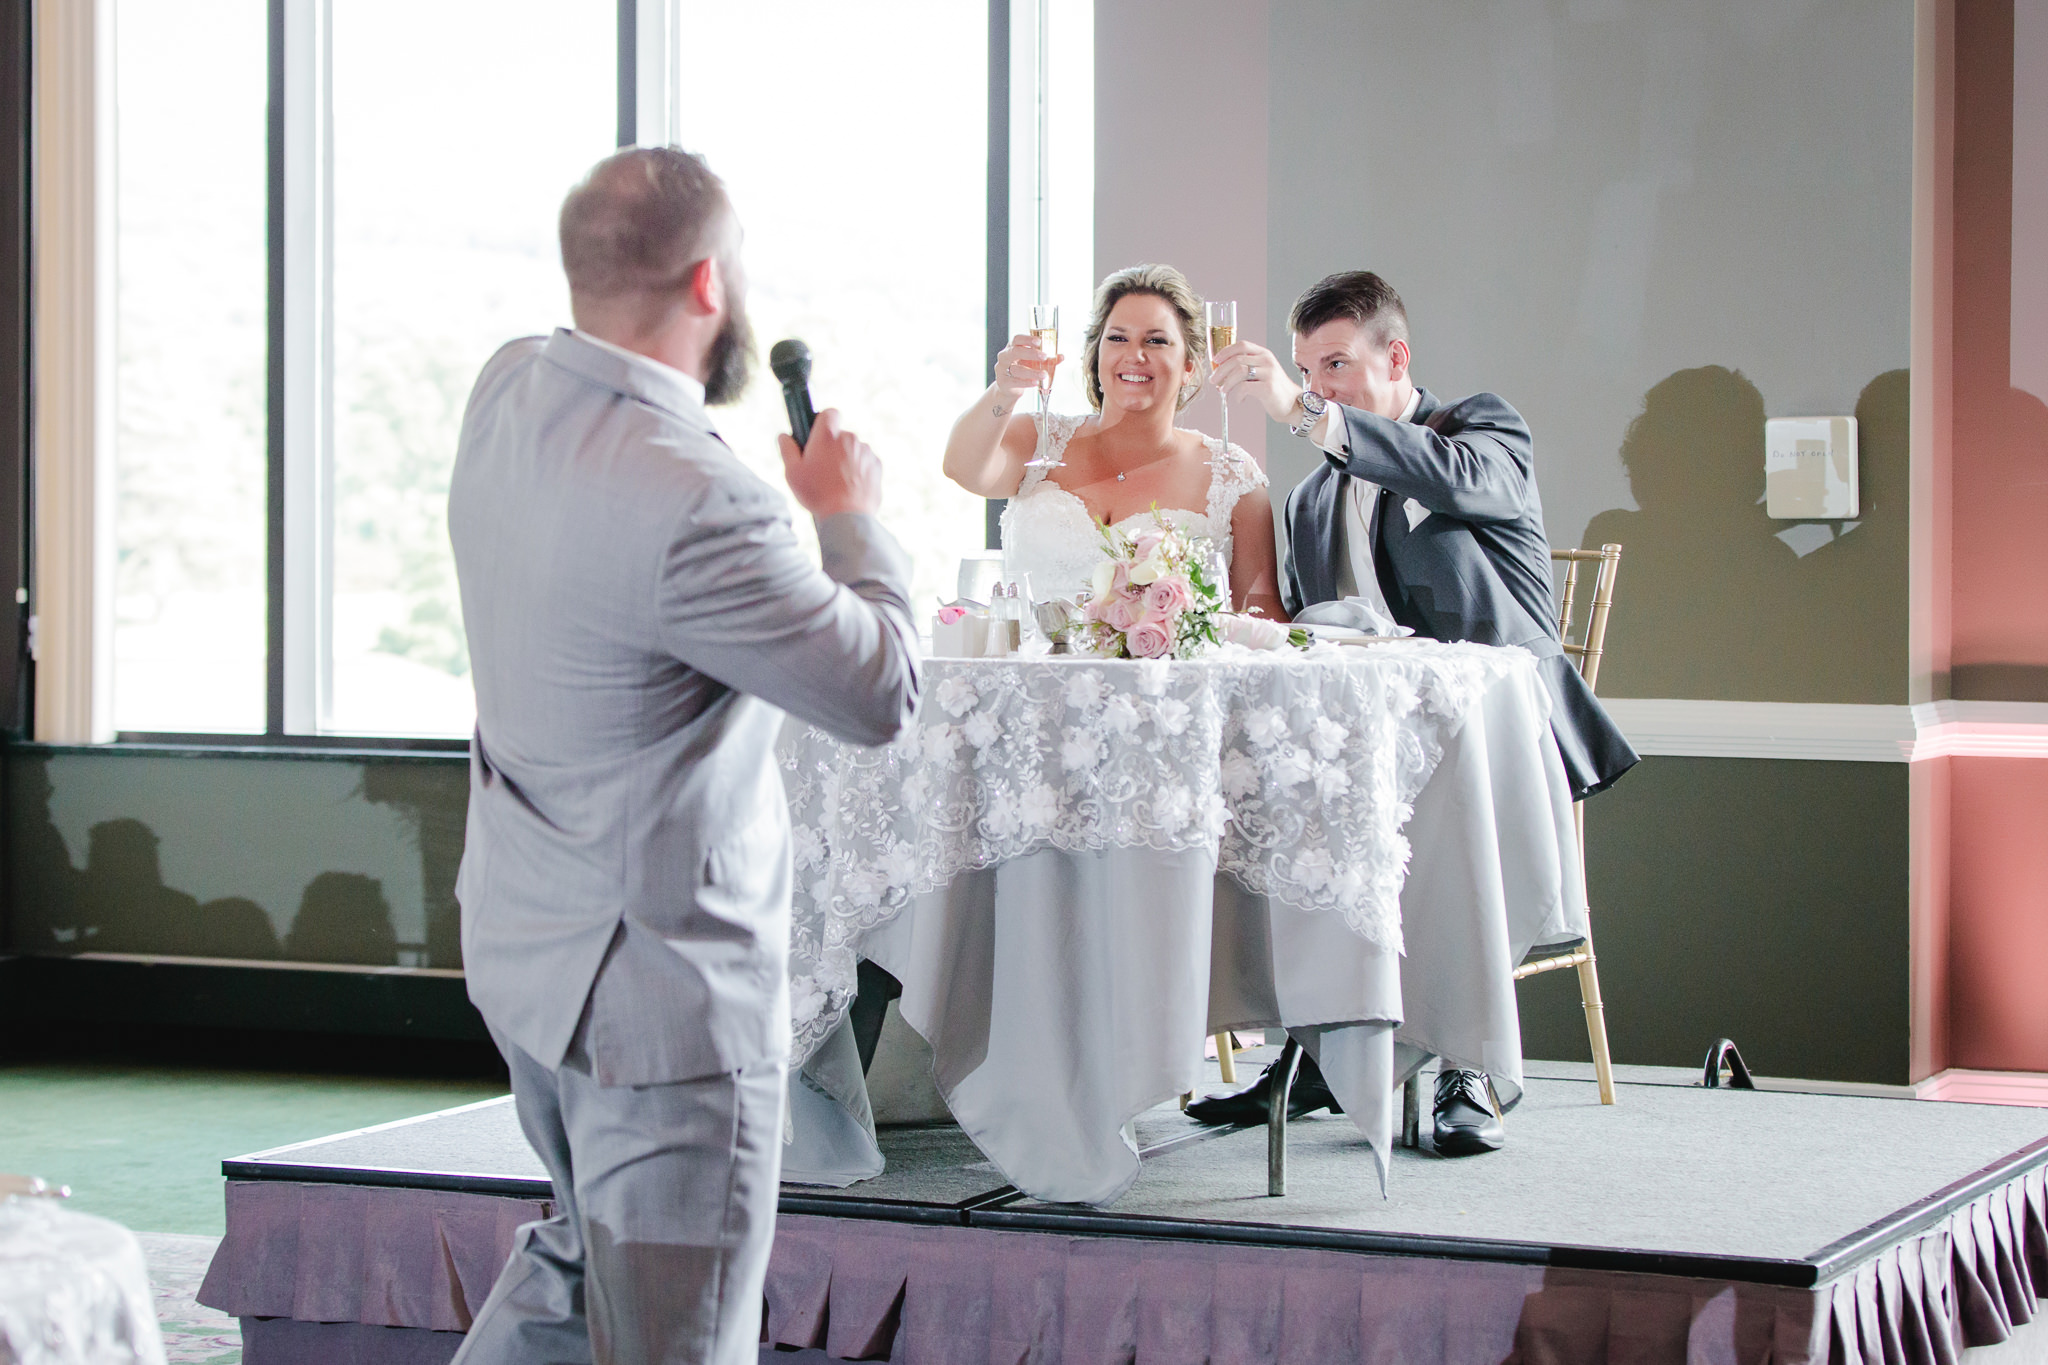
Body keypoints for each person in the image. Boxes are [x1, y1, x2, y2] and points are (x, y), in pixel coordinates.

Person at [446, 147, 921, 1364]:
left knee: (572, 1260)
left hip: (528, 951)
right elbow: (877, 692)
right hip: (658, 1003)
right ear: (709, 282)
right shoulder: (703, 500)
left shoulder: (504, 390)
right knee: (677, 1336)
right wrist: (847, 519)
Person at [1190, 270, 1638, 1154]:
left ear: (1396, 357)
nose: (1316, 387)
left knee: (1432, 808)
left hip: (1497, 735)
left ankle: (1467, 1065)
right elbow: (1310, 635)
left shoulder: (1480, 431)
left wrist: (1302, 414)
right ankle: (1318, 1044)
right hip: (1370, 744)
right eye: (1305, 370)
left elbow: (1463, 483)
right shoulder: (1314, 501)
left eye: (1335, 365)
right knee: (1282, 787)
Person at [942, 263, 1287, 621]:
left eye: (1156, 340)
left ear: (1190, 366)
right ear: (1096, 355)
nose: (1134, 355)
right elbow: (961, 468)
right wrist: (1005, 390)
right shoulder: (1038, 440)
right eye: (1118, 338)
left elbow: (1262, 616)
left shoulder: (1231, 477)